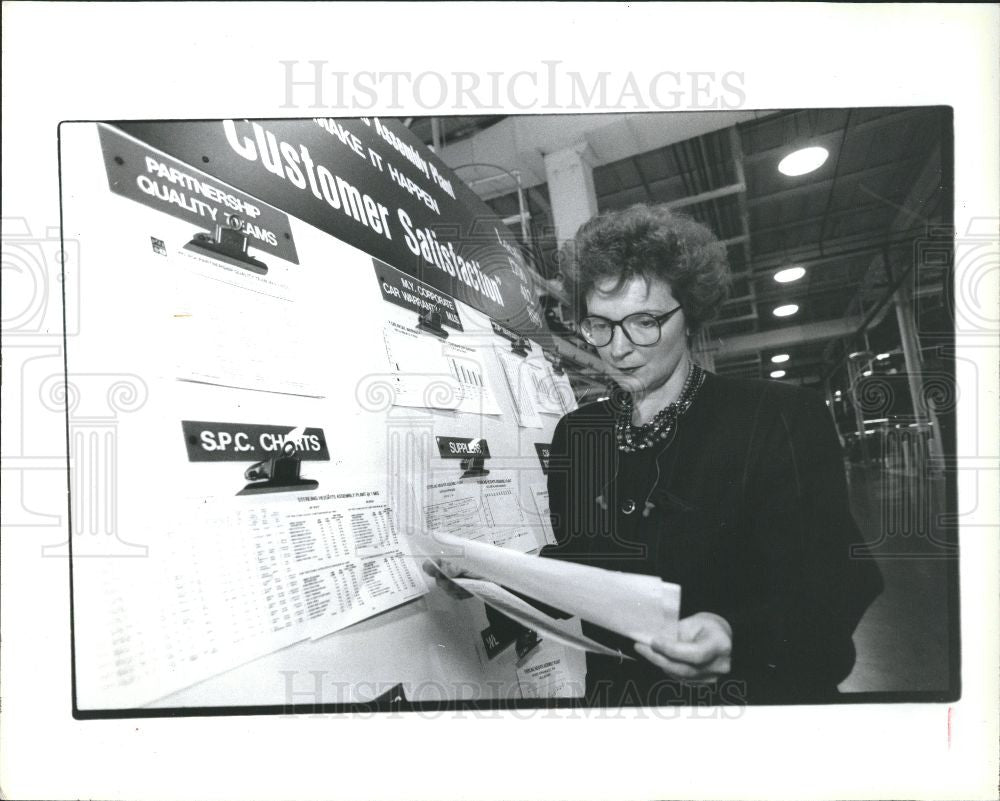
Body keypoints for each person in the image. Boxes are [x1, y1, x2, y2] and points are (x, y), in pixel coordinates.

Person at [434, 204, 883, 706]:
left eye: (644, 322)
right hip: (618, 704)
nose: (618, 348)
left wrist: (734, 636)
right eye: (599, 325)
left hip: (747, 704)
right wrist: (492, 579)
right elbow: (583, 563)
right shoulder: (579, 434)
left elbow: (837, 579)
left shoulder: (777, 417)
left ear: (689, 313)